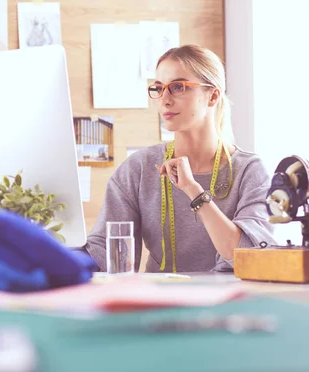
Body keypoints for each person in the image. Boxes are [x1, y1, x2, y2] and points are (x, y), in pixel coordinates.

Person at [83, 44, 276, 273]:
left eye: (178, 87)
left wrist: (194, 191)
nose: (164, 99)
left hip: (230, 303)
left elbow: (249, 256)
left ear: (213, 95)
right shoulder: (139, 168)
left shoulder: (249, 171)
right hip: (160, 304)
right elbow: (105, 252)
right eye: (159, 88)